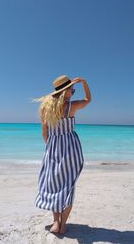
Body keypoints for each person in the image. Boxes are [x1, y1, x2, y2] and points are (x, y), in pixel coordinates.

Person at [33, 75, 91, 234]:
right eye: (72, 89)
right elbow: (88, 99)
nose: (73, 92)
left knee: (54, 185)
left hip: (54, 149)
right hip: (71, 150)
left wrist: (51, 148)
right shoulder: (71, 106)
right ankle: (63, 224)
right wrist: (85, 83)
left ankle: (55, 223)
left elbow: (45, 133)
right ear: (65, 91)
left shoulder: (47, 108)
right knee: (68, 186)